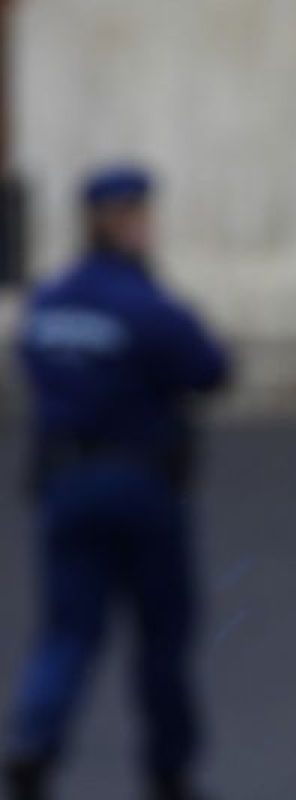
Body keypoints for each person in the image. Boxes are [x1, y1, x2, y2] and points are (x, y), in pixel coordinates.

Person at [4, 165, 232, 800]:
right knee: (162, 637)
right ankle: (169, 770)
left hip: (67, 482)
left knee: (67, 630)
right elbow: (210, 369)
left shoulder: (49, 301)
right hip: (139, 483)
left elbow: (34, 367)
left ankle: (35, 742)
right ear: (127, 222)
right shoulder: (147, 305)